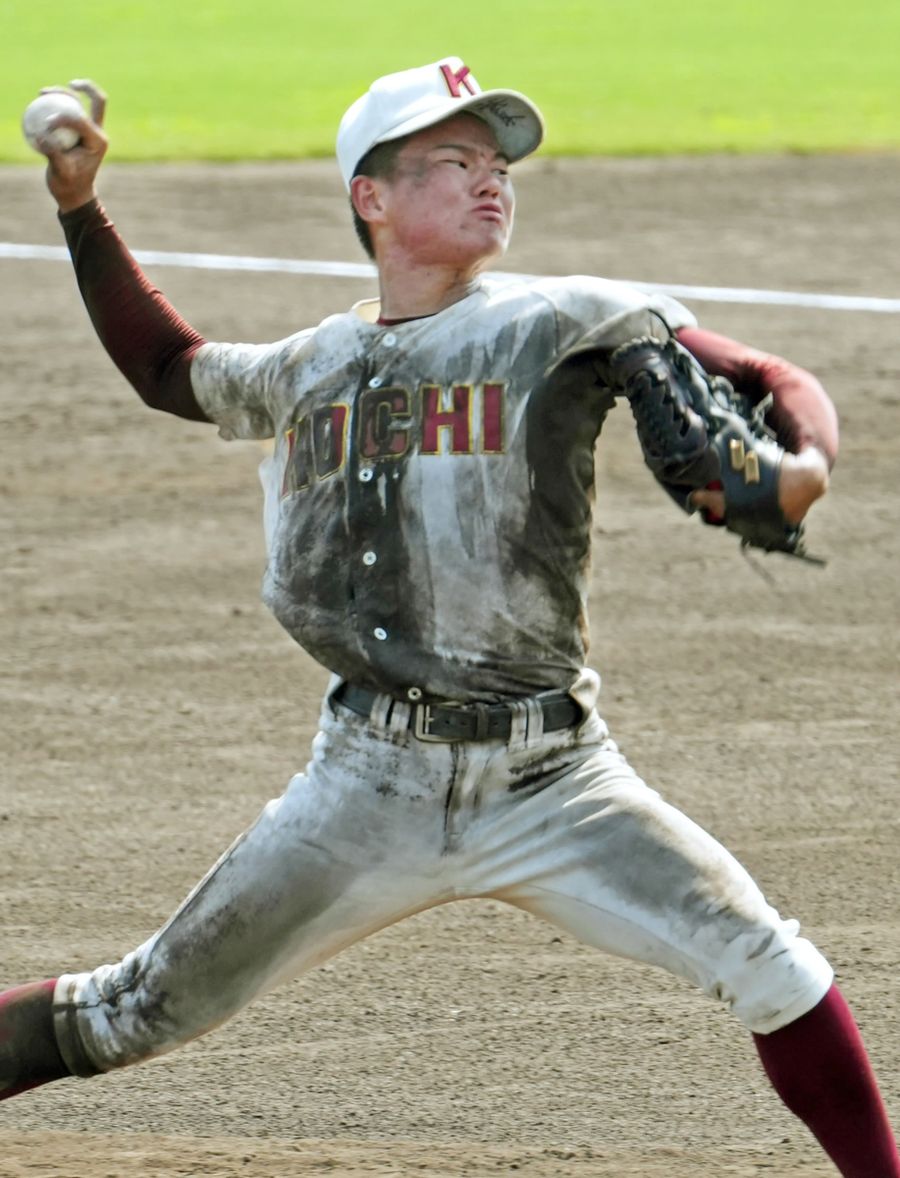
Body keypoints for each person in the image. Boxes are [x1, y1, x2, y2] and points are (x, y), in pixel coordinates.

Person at [1, 58, 897, 1176]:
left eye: (498, 163)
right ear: (371, 198)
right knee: (128, 1008)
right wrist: (80, 204)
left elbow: (767, 371)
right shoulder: (310, 365)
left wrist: (806, 457)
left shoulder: (566, 321)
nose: (493, 182)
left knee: (776, 966)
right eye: (455, 162)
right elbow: (168, 365)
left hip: (557, 781)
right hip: (361, 783)